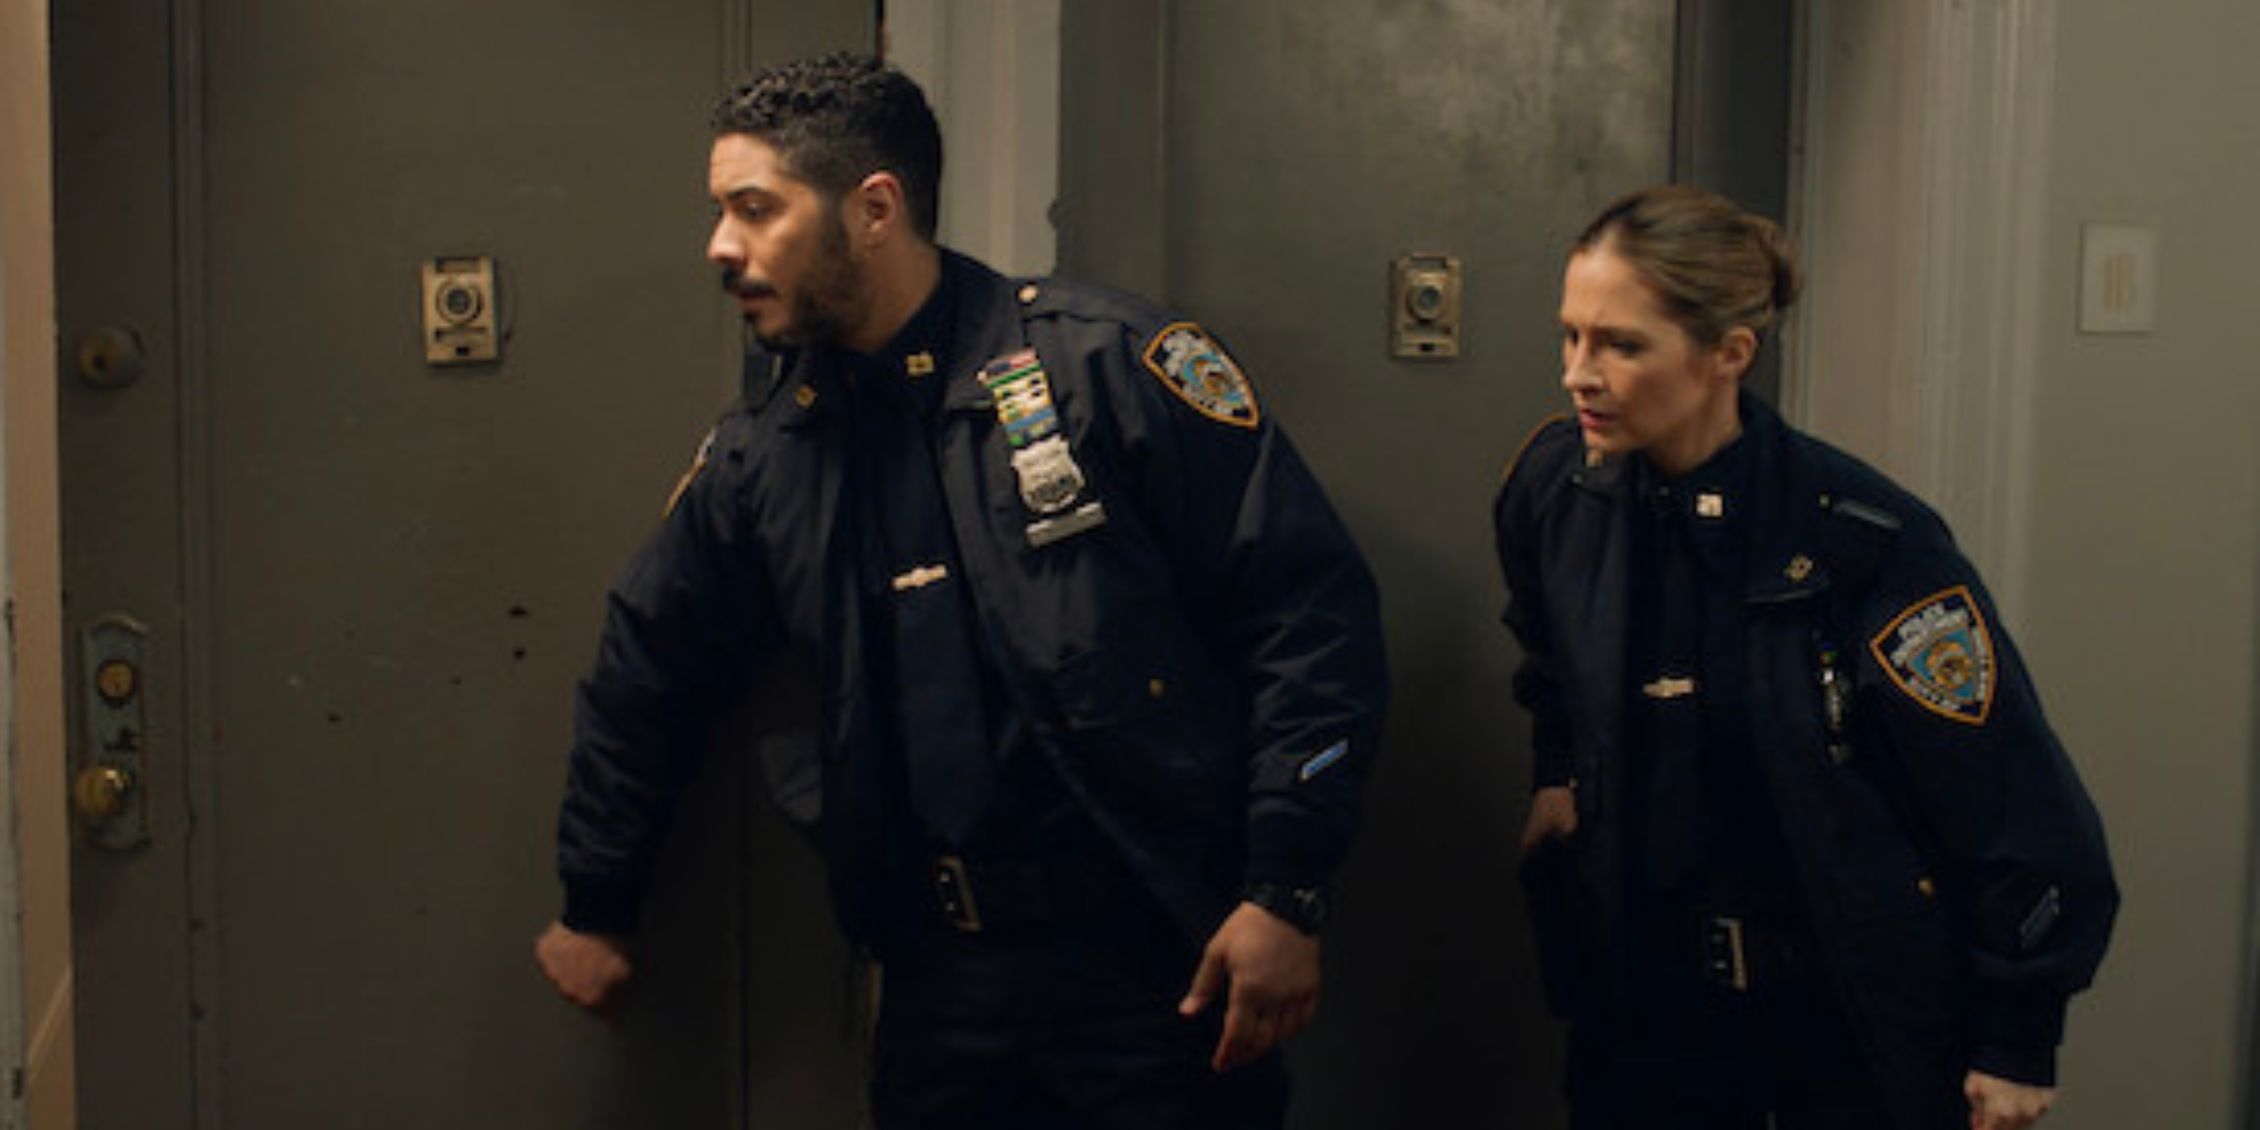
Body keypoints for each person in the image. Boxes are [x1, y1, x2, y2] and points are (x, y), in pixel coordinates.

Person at [533, 52, 1387, 1128]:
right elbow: (644, 669)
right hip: (941, 991)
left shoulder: (1102, 368)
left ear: (874, 207)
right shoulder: (768, 453)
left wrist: (1284, 888)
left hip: (1162, 969)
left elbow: (1309, 622)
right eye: (719, 211)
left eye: (754, 210)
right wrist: (598, 898)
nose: (720, 246)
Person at [1494, 185, 2115, 1130]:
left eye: (1622, 344)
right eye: (1571, 336)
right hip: (1638, 1018)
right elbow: (1551, 654)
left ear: (1727, 356)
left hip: (1834, 1025)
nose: (1580, 372)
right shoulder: (1556, 490)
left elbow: (2007, 796)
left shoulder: (1863, 540)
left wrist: (2016, 1036)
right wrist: (1557, 773)